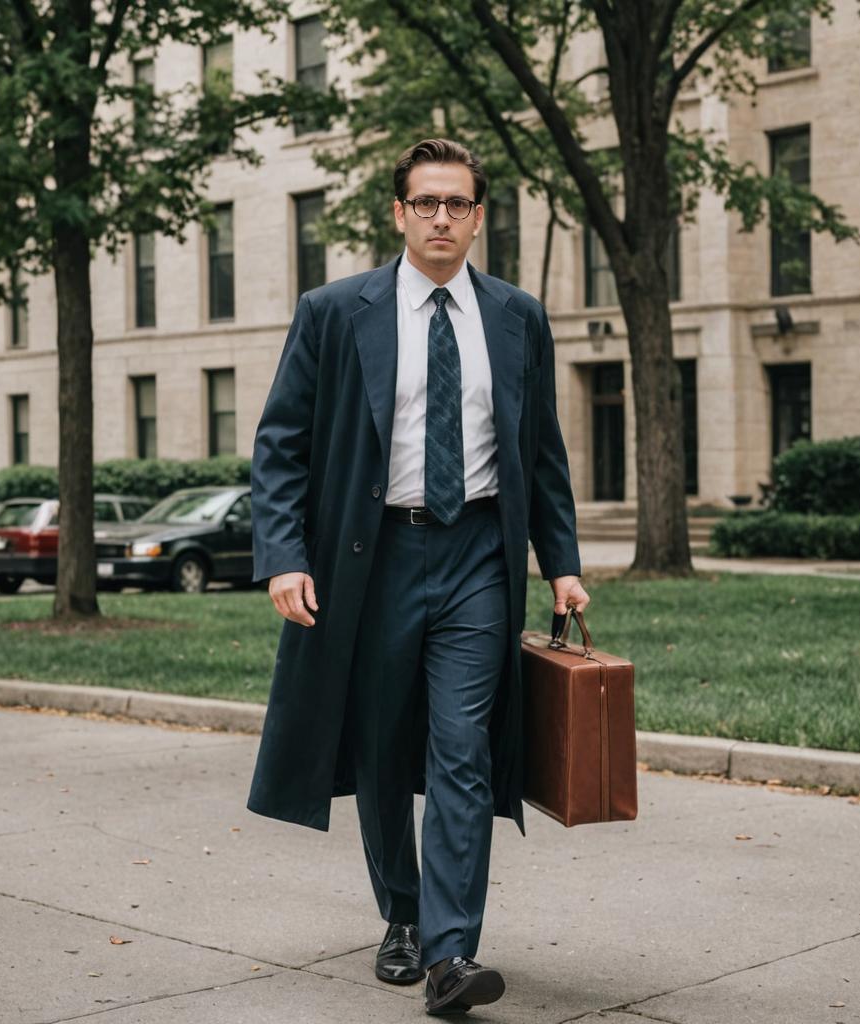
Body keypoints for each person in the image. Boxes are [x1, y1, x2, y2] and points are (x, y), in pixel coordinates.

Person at [247, 137, 588, 1016]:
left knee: (463, 749)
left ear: (480, 217)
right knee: (382, 745)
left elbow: (541, 453)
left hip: (478, 552)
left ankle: (449, 954)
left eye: (459, 204)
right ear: (398, 213)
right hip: (372, 557)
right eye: (426, 203)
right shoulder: (334, 311)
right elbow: (281, 445)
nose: (443, 218)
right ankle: (399, 914)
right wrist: (284, 555)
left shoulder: (518, 317)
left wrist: (563, 568)